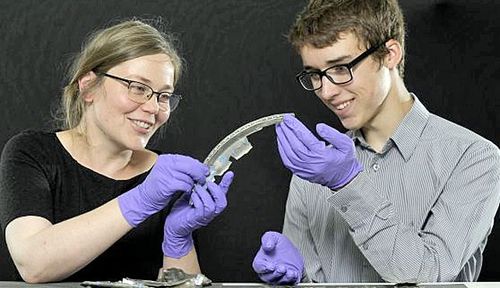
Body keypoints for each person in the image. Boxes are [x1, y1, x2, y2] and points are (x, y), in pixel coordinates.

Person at [252, 0, 500, 284]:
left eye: (341, 67)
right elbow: (308, 279)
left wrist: (348, 185)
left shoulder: (473, 157)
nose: (327, 91)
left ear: (390, 54)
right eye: (314, 74)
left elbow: (428, 275)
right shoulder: (312, 173)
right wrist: (291, 278)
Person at [0, 18, 234, 283]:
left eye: (164, 96)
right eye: (138, 88)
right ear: (88, 86)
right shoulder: (32, 153)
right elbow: (33, 263)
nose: (154, 108)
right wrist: (140, 200)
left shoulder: (167, 178)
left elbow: (183, 284)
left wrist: (178, 240)